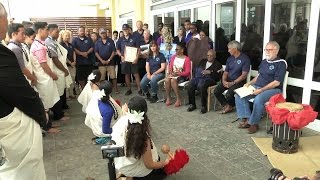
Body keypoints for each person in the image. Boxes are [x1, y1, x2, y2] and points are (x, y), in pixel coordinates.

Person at [0, 3, 46, 179]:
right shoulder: (5, 52)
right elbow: (21, 95)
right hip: (10, 123)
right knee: (25, 168)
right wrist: (41, 116)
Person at [112, 96, 169, 179]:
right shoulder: (142, 136)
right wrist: (165, 163)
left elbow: (125, 115)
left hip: (122, 165)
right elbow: (149, 165)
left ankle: (126, 174)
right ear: (145, 111)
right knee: (158, 167)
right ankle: (132, 177)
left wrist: (124, 110)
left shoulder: (121, 121)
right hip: (138, 171)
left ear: (129, 110)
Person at [236, 41, 287, 133]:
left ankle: (254, 123)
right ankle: (248, 119)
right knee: (239, 95)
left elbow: (276, 82)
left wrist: (261, 90)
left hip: (274, 90)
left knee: (258, 99)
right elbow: (259, 76)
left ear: (276, 50)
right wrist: (249, 83)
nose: (266, 52)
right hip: (258, 86)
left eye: (269, 50)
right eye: (265, 49)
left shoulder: (281, 63)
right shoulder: (264, 62)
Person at [214, 40, 251, 114]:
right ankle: (227, 105)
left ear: (235, 48)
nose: (228, 51)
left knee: (229, 94)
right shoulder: (230, 59)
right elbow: (225, 72)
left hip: (239, 82)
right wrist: (224, 81)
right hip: (229, 80)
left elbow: (244, 75)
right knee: (216, 91)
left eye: (229, 48)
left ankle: (231, 105)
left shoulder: (245, 59)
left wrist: (233, 83)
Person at [85, 80, 122, 145]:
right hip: (103, 130)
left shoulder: (96, 95)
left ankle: (100, 137)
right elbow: (106, 130)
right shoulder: (108, 110)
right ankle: (102, 139)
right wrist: (120, 129)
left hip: (95, 126)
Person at [187, 49, 222, 114]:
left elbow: (218, 77)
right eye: (208, 55)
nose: (209, 57)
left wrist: (210, 72)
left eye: (211, 56)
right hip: (198, 78)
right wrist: (194, 77)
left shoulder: (218, 64)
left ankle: (204, 106)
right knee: (190, 85)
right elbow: (196, 69)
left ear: (215, 56)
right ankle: (192, 104)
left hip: (210, 80)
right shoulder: (203, 61)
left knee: (202, 86)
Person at [116, 24, 141, 95]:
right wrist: (121, 55)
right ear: (122, 30)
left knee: (136, 74)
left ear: (129, 30)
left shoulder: (134, 38)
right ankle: (129, 89)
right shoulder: (120, 39)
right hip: (125, 59)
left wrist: (137, 58)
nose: (125, 31)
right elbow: (117, 49)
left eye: (126, 29)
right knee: (126, 75)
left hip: (133, 59)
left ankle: (139, 89)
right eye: (124, 30)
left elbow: (139, 49)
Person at [165, 43, 191, 107]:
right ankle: (168, 97)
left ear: (182, 50)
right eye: (175, 49)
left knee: (173, 80)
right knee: (167, 80)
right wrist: (171, 72)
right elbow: (170, 67)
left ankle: (178, 99)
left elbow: (187, 72)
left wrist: (178, 74)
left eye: (177, 49)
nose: (175, 50)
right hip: (174, 74)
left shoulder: (186, 59)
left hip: (182, 76)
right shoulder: (173, 57)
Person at [95, 28, 119, 93]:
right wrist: (101, 60)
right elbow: (96, 53)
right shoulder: (97, 42)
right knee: (102, 78)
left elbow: (113, 51)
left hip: (110, 62)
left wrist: (109, 59)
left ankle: (116, 89)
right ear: (99, 34)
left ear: (106, 33)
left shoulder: (110, 41)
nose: (103, 34)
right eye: (101, 33)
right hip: (101, 62)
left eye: (104, 33)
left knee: (113, 77)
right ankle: (103, 90)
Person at [58, 30, 77, 99]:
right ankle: (66, 96)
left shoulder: (70, 44)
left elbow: (74, 53)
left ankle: (71, 94)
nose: (67, 37)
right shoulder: (60, 45)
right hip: (66, 65)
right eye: (66, 35)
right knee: (66, 81)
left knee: (72, 80)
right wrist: (70, 63)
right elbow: (63, 56)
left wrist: (74, 61)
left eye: (68, 36)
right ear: (62, 36)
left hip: (73, 65)